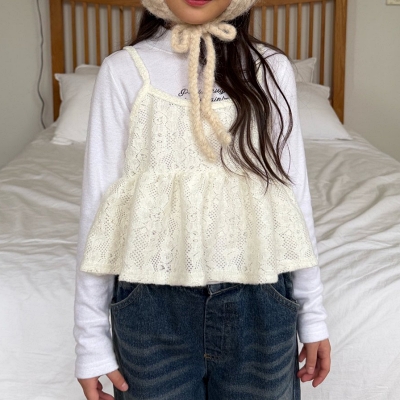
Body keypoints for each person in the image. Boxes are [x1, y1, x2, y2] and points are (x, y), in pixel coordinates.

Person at [74, 0, 331, 399]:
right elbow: (99, 207)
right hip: (150, 303)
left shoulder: (271, 68)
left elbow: (292, 196)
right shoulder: (123, 70)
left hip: (260, 298)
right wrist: (90, 341)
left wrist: (313, 315)